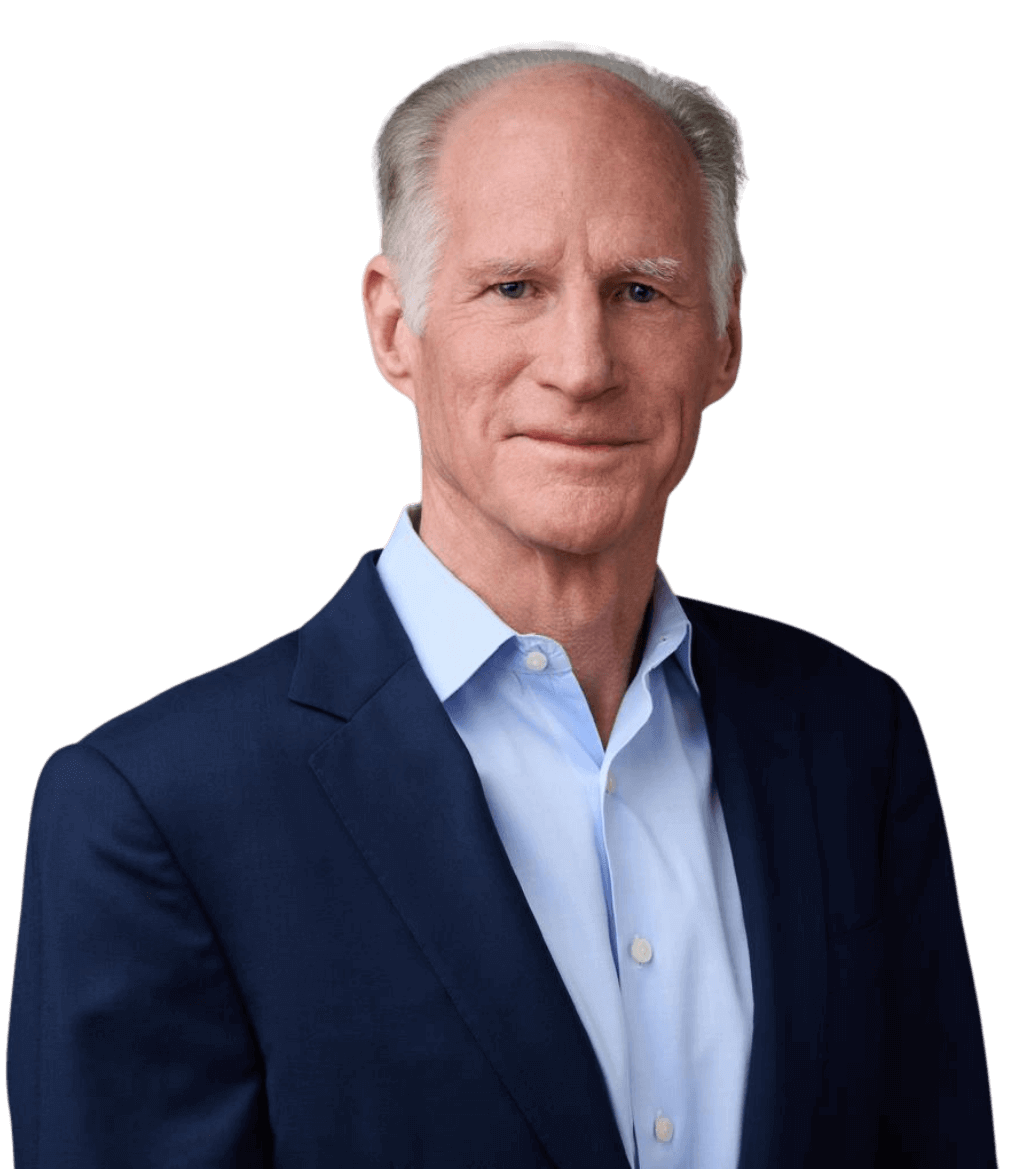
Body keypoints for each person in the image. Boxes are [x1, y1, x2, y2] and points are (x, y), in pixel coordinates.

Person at [7, 42, 996, 1169]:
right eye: (514, 287)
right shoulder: (155, 811)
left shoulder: (852, 737)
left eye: (640, 290)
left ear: (725, 332)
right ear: (394, 326)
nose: (581, 365)